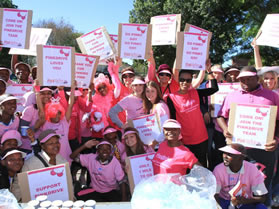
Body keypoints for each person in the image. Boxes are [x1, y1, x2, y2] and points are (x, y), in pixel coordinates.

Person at [217, 66, 279, 199]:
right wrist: (225, 130)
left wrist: (276, 139)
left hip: (264, 150)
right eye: (242, 79)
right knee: (237, 185)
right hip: (238, 150)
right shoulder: (232, 96)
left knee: (262, 187)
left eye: (249, 79)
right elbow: (221, 116)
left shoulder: (272, 96)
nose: (245, 82)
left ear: (257, 78)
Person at [166, 62, 218, 167]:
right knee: (187, 169)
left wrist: (209, 71)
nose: (185, 82)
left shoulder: (195, 93)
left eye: (188, 80)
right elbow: (172, 120)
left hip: (201, 139)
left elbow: (214, 89)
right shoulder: (171, 98)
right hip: (185, 141)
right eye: (182, 80)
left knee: (201, 167)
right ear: (178, 80)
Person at [213, 144, 268, 209]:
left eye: (229, 154)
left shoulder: (252, 168)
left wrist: (245, 201)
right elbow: (214, 195)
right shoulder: (218, 169)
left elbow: (262, 197)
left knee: (261, 207)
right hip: (224, 201)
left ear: (241, 157)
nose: (225, 156)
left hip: (246, 202)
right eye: (224, 153)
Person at [143, 81, 170, 146]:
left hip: (160, 144)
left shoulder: (160, 106)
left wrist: (155, 142)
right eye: (147, 91)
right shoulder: (150, 106)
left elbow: (166, 129)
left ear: (157, 92)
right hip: (155, 143)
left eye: (152, 91)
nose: (150, 94)